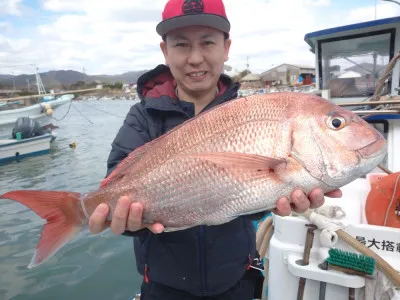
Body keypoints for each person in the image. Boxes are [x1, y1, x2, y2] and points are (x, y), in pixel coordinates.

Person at [88, 0, 342, 298]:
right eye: (181, 45)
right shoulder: (143, 117)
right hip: (163, 285)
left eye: (207, 43)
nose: (195, 58)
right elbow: (116, 191)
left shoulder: (249, 113)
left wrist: (277, 199)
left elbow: (249, 200)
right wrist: (124, 221)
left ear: (226, 47)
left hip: (237, 277)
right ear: (165, 52)